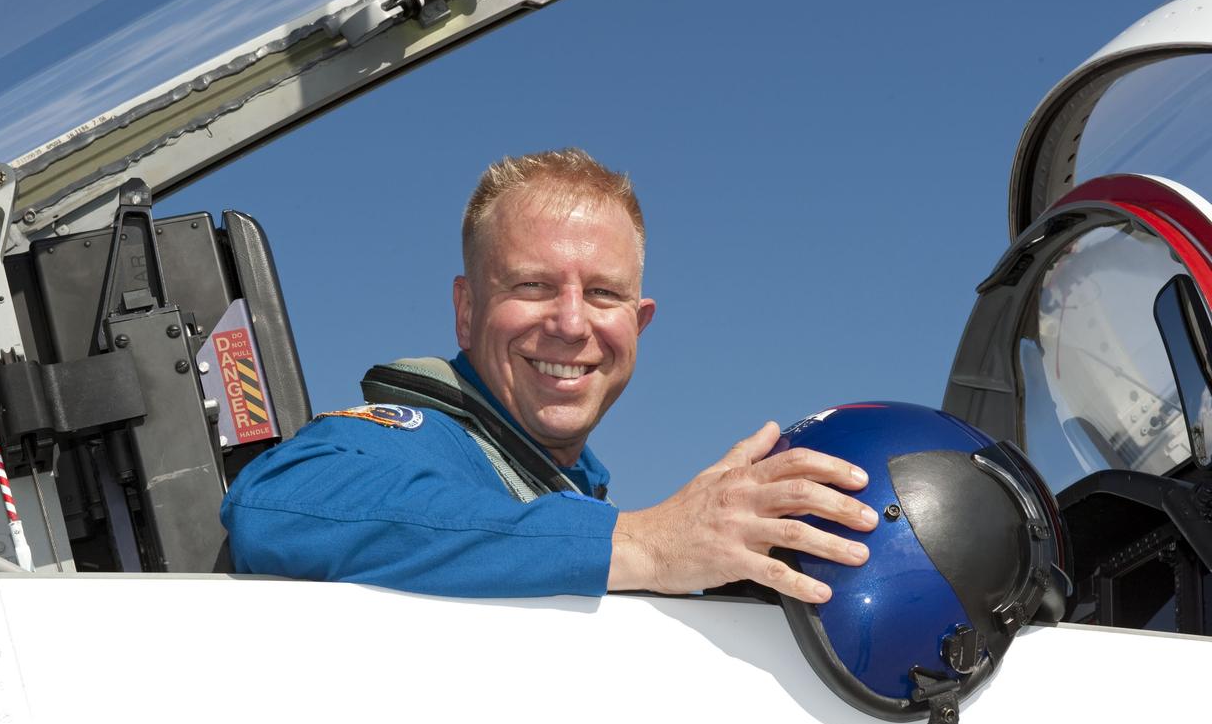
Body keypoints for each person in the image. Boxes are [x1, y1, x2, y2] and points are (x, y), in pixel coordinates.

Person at [221, 148, 877, 600]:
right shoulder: (423, 441)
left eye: (603, 295)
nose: (570, 323)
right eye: (532, 286)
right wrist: (643, 543)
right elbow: (276, 502)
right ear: (467, 309)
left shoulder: (572, 494)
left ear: (638, 322)